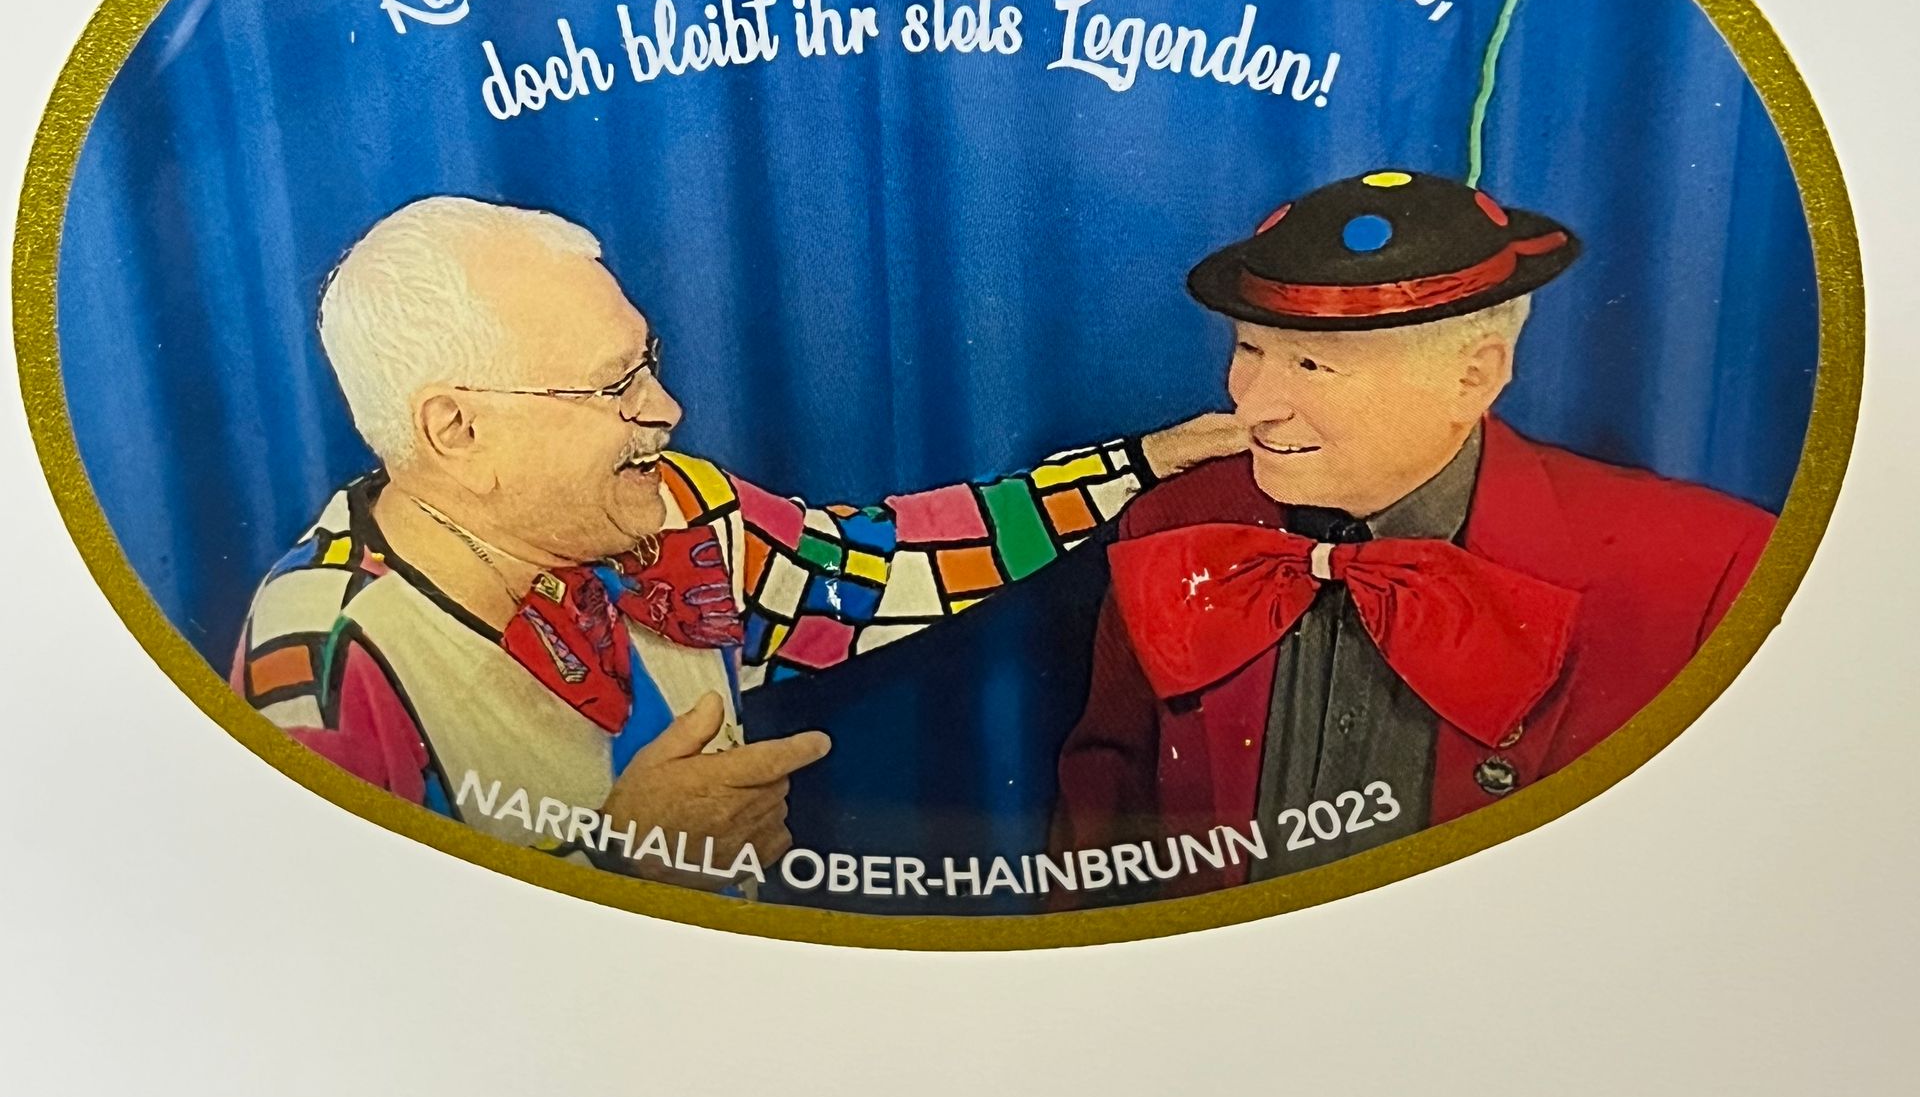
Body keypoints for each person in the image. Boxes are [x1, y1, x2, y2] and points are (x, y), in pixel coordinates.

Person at [234, 196, 1240, 881]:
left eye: (649, 361)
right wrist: (621, 863)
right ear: (457, 430)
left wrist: (1140, 465)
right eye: (614, 385)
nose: (666, 409)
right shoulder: (323, 654)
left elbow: (889, 566)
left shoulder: (677, 508)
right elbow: (345, 984)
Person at [1056, 169, 1775, 887]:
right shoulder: (1171, 522)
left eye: (1313, 364)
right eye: (1251, 350)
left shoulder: (1712, 569)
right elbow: (1103, 825)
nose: (1254, 406)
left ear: (1473, 377)